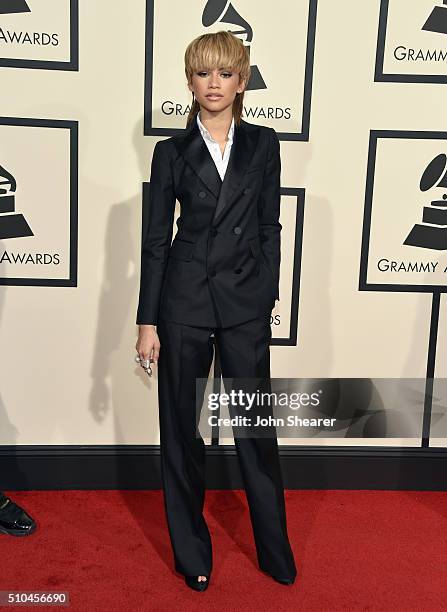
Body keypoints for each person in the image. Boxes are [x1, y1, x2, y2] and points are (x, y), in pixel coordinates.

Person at [135, 30, 296, 592]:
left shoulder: (264, 145)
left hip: (245, 304)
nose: (214, 84)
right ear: (189, 80)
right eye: (203, 74)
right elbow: (155, 240)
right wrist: (147, 321)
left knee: (255, 430)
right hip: (183, 302)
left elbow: (270, 227)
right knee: (181, 430)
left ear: (242, 80)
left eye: (225, 74)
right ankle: (192, 554)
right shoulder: (170, 153)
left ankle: (274, 551)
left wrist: (265, 293)